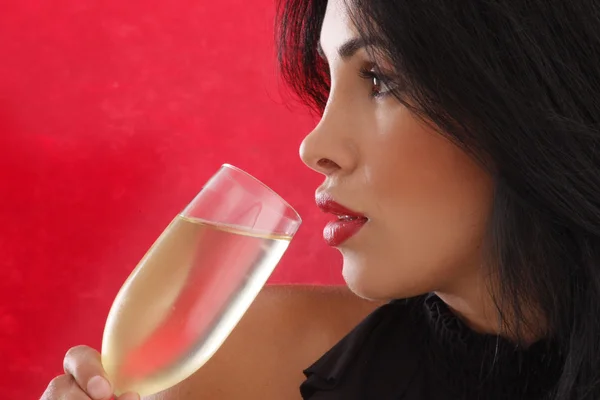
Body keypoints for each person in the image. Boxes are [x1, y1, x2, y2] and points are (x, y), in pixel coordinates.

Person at [42, 0, 600, 399]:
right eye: (328, 80)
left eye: (380, 79)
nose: (315, 147)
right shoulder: (240, 373)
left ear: (525, 96)